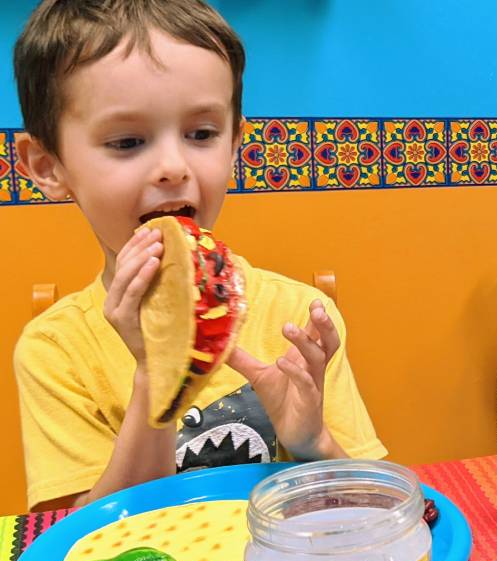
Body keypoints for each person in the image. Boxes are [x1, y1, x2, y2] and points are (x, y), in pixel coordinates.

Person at [12, 0, 385, 512]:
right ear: (48, 166)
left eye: (202, 134)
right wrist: (154, 374)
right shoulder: (55, 350)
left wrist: (311, 440)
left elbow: (381, 512)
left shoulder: (298, 318)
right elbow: (84, 551)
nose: (172, 166)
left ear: (235, 145)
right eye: (127, 141)